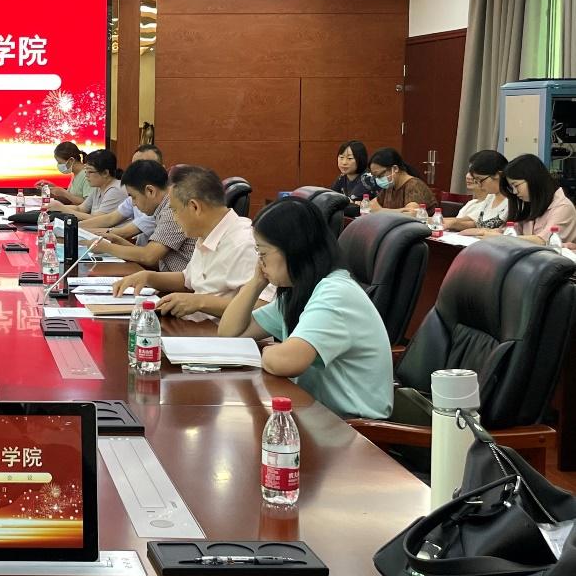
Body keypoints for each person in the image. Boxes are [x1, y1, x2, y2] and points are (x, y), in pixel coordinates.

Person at [218, 198, 393, 420]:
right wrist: (256, 282)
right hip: (317, 414)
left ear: (293, 250)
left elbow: (287, 362)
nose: (260, 262)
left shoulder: (336, 293)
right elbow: (230, 334)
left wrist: (266, 353)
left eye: (262, 253)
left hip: (354, 428)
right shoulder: (300, 291)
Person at [112, 166, 274, 318]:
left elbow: (263, 307)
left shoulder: (245, 243)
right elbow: (187, 280)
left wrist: (200, 302)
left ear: (194, 207)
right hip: (195, 326)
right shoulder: (206, 234)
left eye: (174, 210)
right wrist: (148, 277)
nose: (174, 218)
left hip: (218, 334)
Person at [88, 159, 195, 272]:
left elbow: (149, 257)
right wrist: (121, 242)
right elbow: (157, 261)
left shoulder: (172, 209)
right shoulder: (162, 208)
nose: (133, 204)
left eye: (134, 197)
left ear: (150, 191)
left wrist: (106, 247)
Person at [462, 153, 576, 244]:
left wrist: (500, 238)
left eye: (516, 186)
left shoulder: (562, 207)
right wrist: (484, 232)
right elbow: (514, 231)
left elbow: (543, 241)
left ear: (533, 180)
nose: (515, 192)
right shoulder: (531, 204)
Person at [81, 144, 163, 237]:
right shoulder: (135, 194)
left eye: (147, 166)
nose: (138, 171)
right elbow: (110, 218)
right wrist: (75, 227)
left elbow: (123, 232)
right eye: (135, 166)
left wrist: (77, 230)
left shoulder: (162, 202)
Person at [47, 149, 127, 217]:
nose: (86, 175)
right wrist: (54, 207)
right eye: (86, 171)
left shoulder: (115, 190)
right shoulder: (98, 188)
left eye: (90, 172)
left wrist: (62, 209)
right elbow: (81, 208)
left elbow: (96, 219)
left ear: (105, 173)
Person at [443, 150, 509, 232]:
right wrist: (454, 224)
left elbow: (505, 232)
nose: (480, 185)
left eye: (481, 180)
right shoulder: (490, 197)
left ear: (497, 175)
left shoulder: (511, 202)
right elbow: (477, 224)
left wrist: (479, 232)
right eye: (476, 181)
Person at [367, 148, 436, 211]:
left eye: (380, 175)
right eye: (375, 177)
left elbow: (410, 213)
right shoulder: (390, 187)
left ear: (395, 169)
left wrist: (381, 211)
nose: (378, 180)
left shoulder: (415, 186)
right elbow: (372, 205)